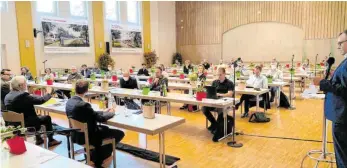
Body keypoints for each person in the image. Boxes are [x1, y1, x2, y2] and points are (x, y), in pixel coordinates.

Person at [65, 79, 124, 168]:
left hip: (75, 135)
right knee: (119, 133)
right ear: (87, 90)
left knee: (106, 130)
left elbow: (91, 114)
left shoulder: (70, 102)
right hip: (88, 137)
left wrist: (103, 111)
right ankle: (101, 157)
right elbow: (100, 119)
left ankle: (95, 155)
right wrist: (112, 112)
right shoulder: (84, 105)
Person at [313, 30, 347, 168]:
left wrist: (322, 83)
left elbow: (344, 90)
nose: (338, 46)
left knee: (342, 156)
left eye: (341, 43)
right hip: (342, 115)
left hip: (342, 116)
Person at [4, 76, 62, 146]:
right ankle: (51, 140)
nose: (27, 85)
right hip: (27, 125)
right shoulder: (22, 96)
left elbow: (29, 100)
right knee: (47, 118)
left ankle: (39, 139)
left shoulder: (7, 96)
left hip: (14, 124)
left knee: (35, 116)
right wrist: (49, 93)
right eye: (25, 83)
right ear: (21, 85)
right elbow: (41, 100)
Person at [203, 67, 234, 135]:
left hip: (225, 103)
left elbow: (230, 94)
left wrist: (220, 94)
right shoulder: (215, 82)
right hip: (214, 102)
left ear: (224, 74)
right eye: (217, 75)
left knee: (220, 109)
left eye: (220, 75)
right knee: (204, 108)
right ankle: (214, 124)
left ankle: (218, 127)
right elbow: (211, 92)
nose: (218, 76)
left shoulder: (229, 83)